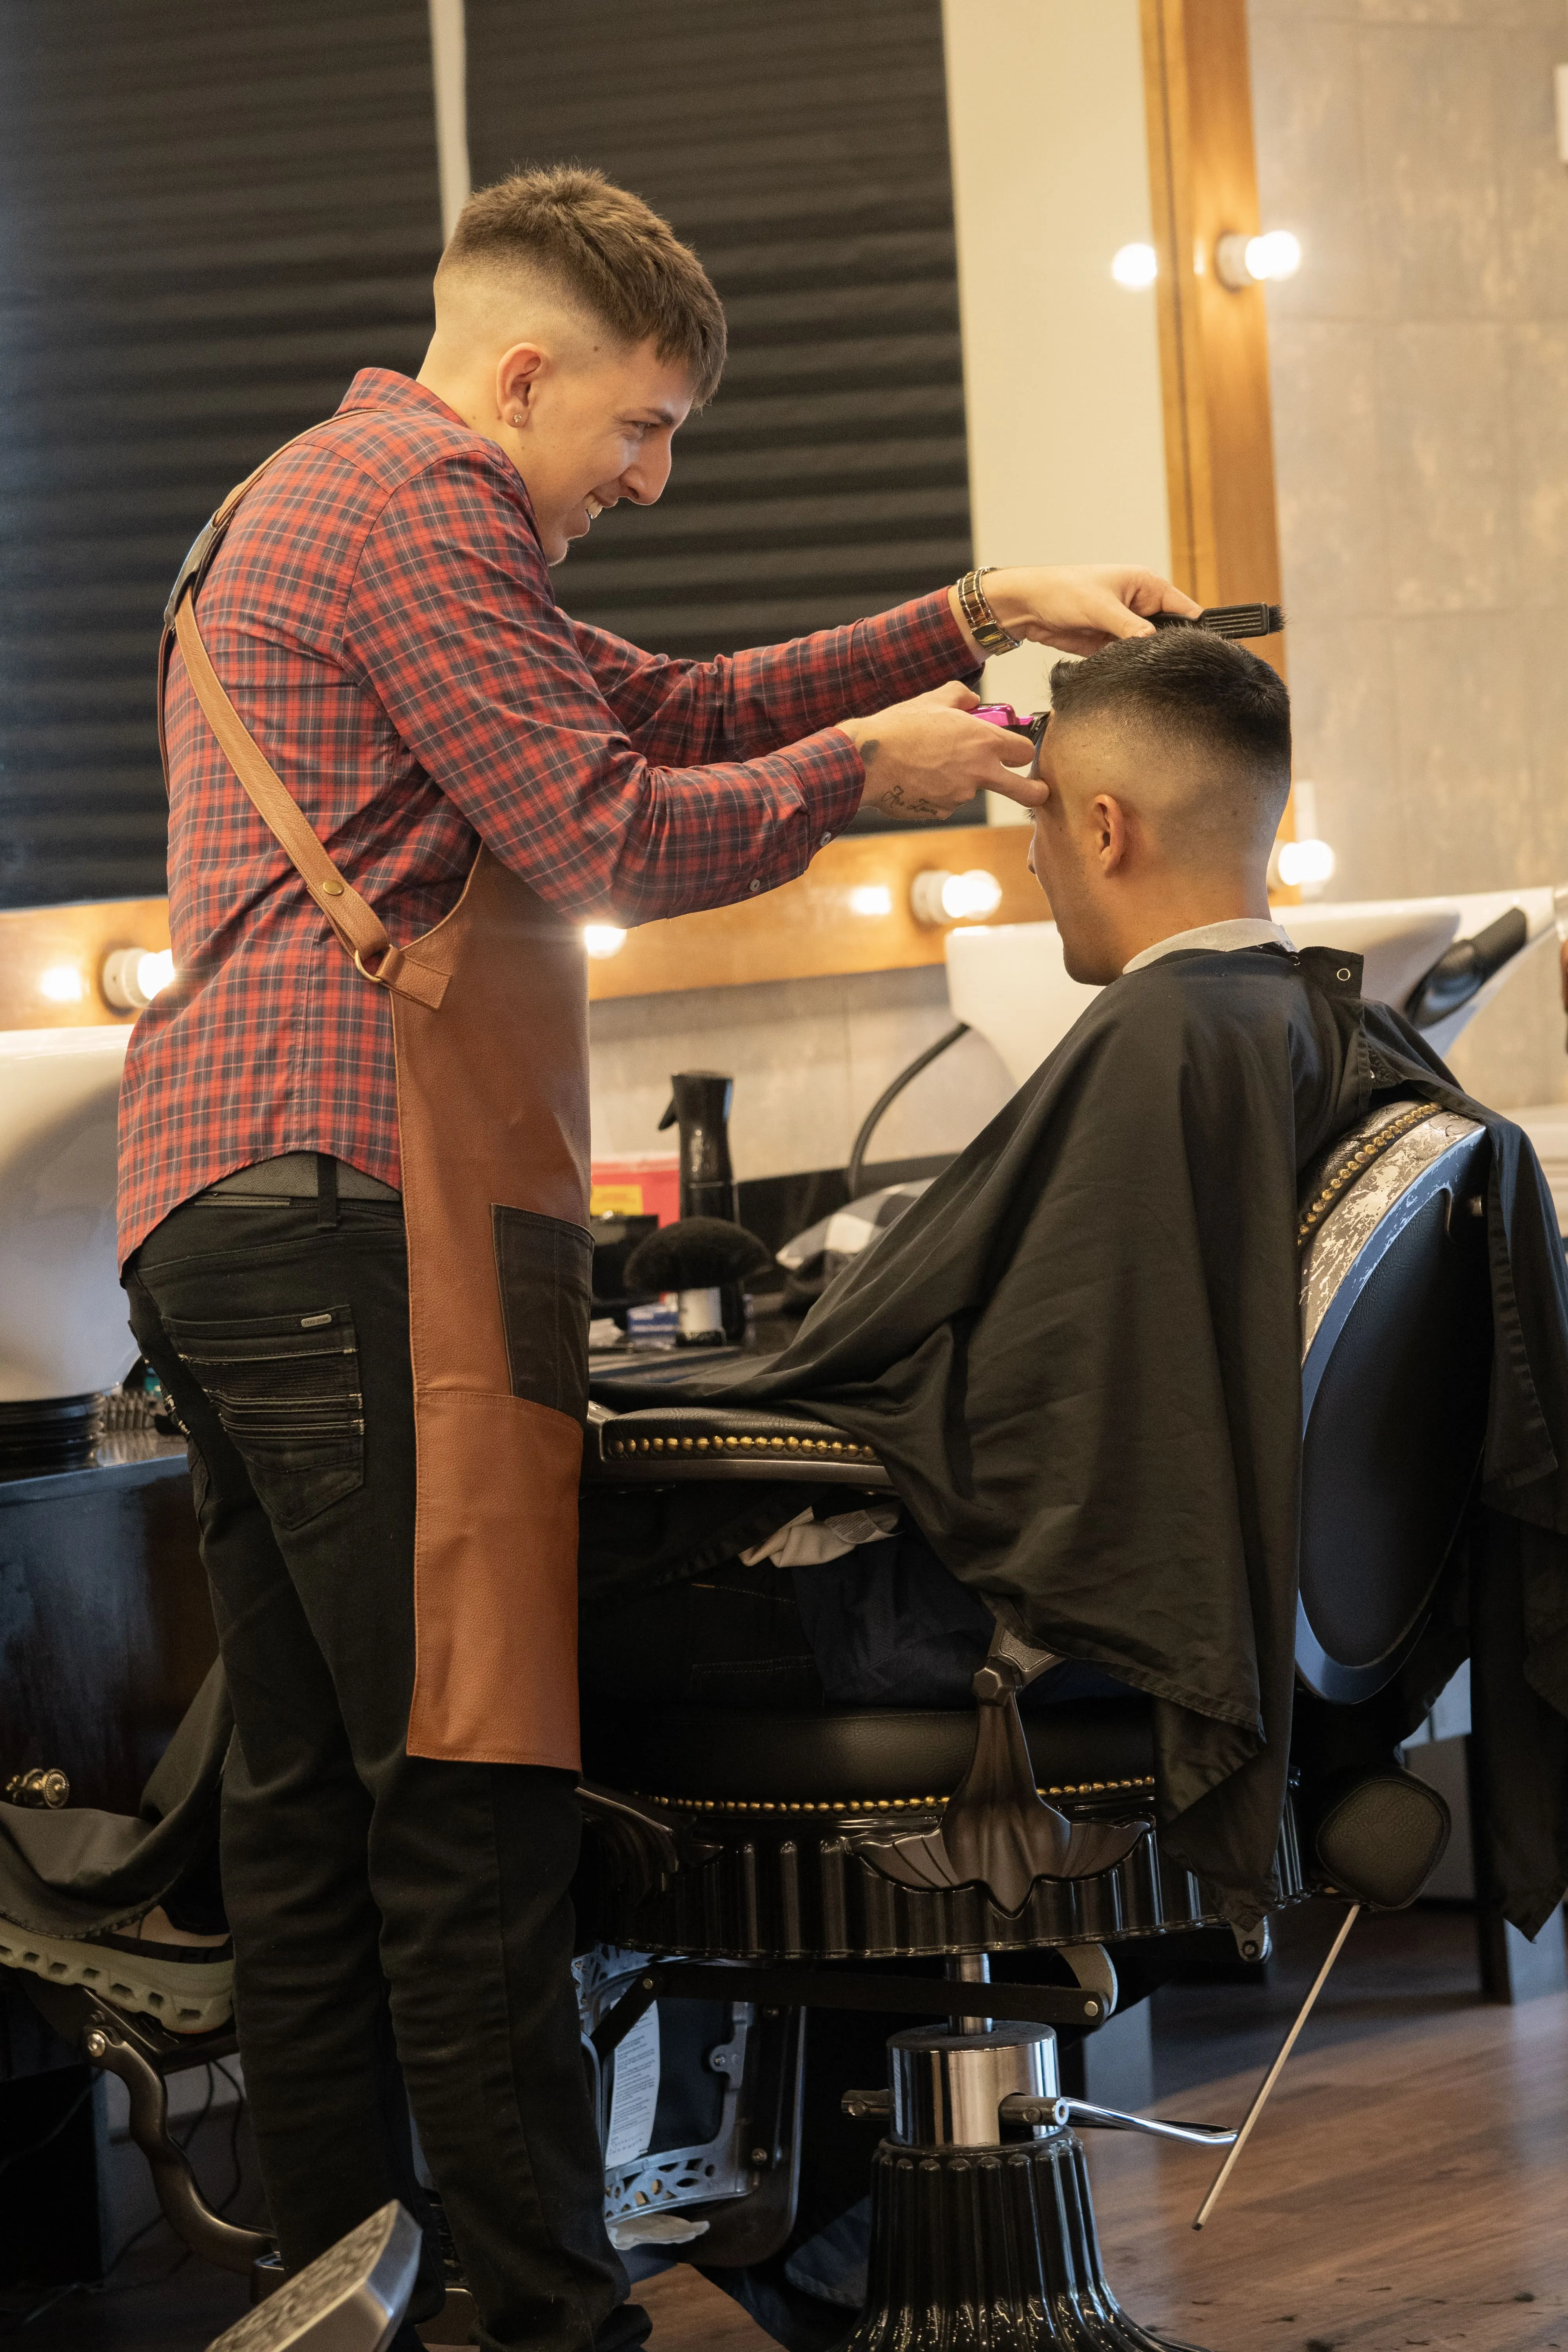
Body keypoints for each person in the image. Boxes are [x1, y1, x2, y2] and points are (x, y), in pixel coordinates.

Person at [110, 162, 1203, 2352]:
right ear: (524, 373)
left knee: (317, 1820)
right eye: (642, 423)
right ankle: (542, 2322)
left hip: (224, 1209)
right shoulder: (428, 504)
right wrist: (868, 777)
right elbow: (605, 822)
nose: (656, 471)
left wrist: (972, 611)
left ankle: (368, 2309)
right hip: (359, 1205)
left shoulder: (313, 499)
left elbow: (671, 703)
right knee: (470, 1799)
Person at [580, 626, 1568, 1936]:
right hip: (1200, 1634)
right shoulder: (1340, 1027)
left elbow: (978, 1390)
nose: (1034, 863)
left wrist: (696, 1396)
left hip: (996, 1638)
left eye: (1036, 829)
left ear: (1103, 827)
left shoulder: (1164, 1039)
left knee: (462, 1642)